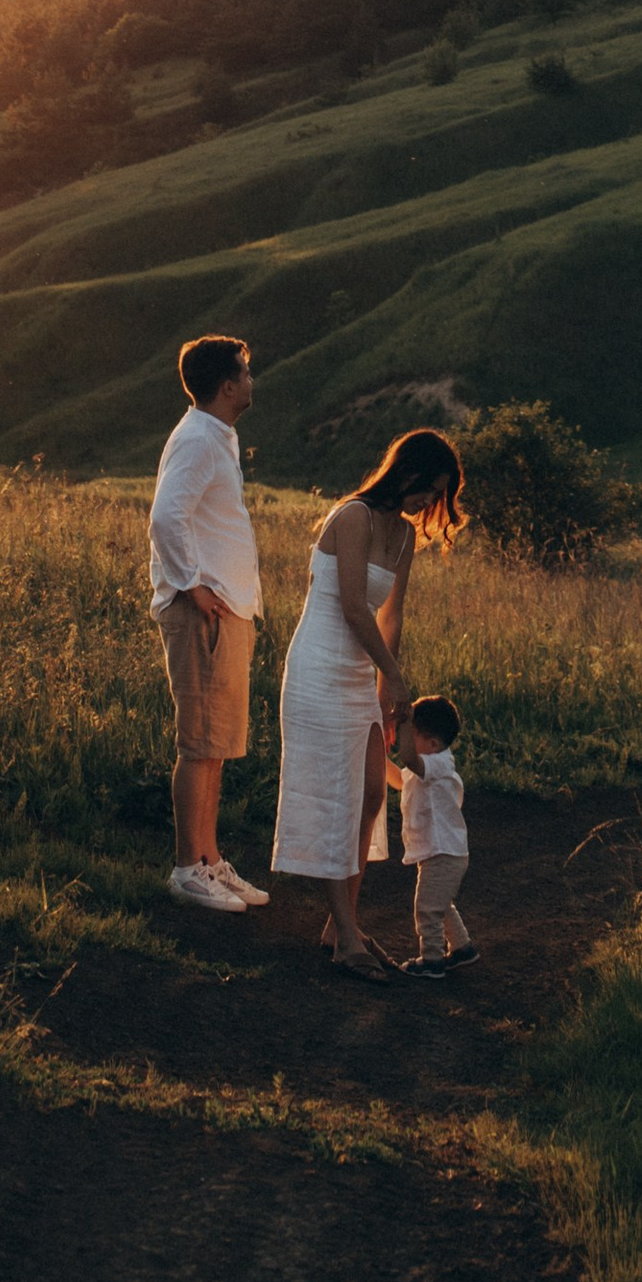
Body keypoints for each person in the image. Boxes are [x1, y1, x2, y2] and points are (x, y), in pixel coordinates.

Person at [270, 427, 466, 978]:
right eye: (428, 488)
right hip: (317, 669)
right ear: (405, 471)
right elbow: (355, 607)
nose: (429, 502)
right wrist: (394, 675)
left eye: (439, 496)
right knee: (339, 798)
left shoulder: (404, 536)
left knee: (372, 795)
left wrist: (387, 690)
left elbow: (390, 616)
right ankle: (347, 938)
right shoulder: (351, 516)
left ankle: (342, 923)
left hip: (362, 674)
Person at [148, 332, 269, 915]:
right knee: (199, 744)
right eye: (246, 372)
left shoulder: (216, 435)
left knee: (216, 745)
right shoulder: (198, 438)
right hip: (204, 612)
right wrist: (193, 585)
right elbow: (165, 516)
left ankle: (209, 861)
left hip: (226, 609)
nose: (251, 380)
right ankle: (184, 869)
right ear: (227, 385)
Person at [386, 690, 474, 982]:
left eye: (412, 735)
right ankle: (462, 949)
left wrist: (403, 721)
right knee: (440, 905)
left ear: (432, 744)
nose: (405, 741)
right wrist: (377, 753)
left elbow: (409, 758)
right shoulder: (426, 764)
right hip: (444, 852)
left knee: (427, 907)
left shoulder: (436, 764)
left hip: (444, 853)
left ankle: (432, 960)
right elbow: (399, 779)